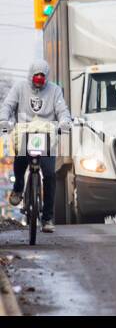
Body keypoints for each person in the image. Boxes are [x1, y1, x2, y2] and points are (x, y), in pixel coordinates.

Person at [1, 59, 73, 233]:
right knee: (19, 162)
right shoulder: (19, 87)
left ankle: (48, 218)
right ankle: (18, 188)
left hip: (47, 134)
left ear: (46, 76)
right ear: (30, 75)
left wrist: (64, 122)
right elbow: (8, 106)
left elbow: (62, 110)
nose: (39, 79)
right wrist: (4, 120)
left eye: (42, 76)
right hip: (24, 132)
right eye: (36, 75)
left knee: (49, 174)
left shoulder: (55, 90)